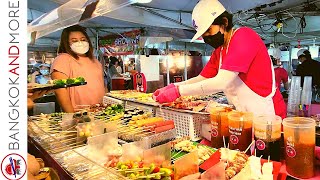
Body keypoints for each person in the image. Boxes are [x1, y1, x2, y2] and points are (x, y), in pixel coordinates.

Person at [153, 0, 286, 119]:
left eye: (209, 31)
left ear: (224, 22)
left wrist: (178, 92)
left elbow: (221, 82)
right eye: (203, 35)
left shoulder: (244, 37)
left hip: (268, 115)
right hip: (243, 118)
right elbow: (202, 78)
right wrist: (173, 86)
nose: (207, 38)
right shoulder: (220, 51)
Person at [51, 25, 105, 113]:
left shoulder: (96, 61)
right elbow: (60, 90)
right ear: (67, 44)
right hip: (79, 113)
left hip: (101, 111)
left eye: (83, 40)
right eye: (74, 41)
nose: (80, 43)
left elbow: (102, 85)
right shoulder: (62, 59)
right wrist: (71, 115)